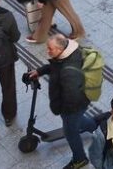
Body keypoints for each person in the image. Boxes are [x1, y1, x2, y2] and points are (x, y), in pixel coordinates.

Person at [25, 34, 95, 168]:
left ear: (60, 49)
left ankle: (80, 159)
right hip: (78, 102)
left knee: (70, 132)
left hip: (73, 106)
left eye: (50, 49)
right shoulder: (67, 53)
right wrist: (40, 71)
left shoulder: (68, 72)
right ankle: (97, 126)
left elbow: (72, 97)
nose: (48, 51)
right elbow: (54, 66)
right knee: (78, 120)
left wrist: (60, 109)